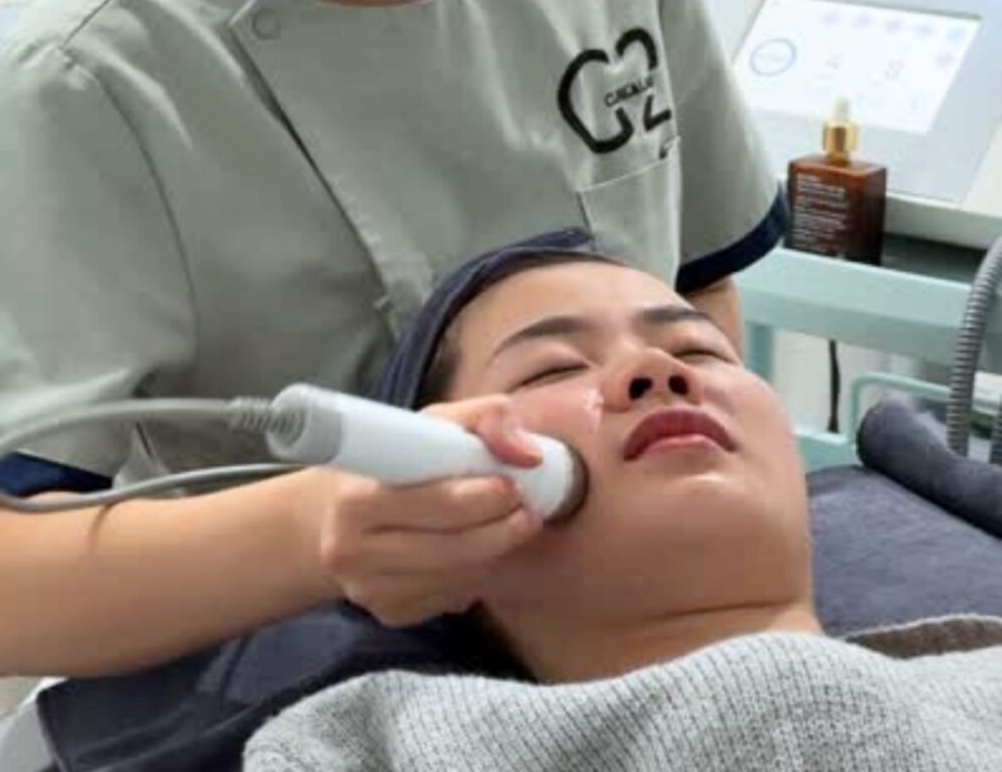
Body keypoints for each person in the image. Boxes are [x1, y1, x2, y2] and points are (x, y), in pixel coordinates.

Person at [0, 0, 784, 678]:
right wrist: (309, 532)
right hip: (300, 685)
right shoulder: (91, 83)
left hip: (645, 649)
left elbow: (699, 285)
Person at [244, 251, 1002, 772]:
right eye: (553, 369)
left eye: (700, 352)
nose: (656, 370)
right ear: (440, 504)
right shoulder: (365, 743)